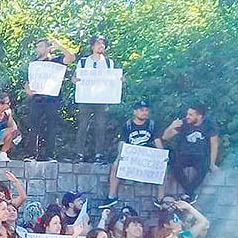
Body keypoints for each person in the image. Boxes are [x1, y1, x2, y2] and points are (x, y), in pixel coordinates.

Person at [101, 100, 165, 208]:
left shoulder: (152, 125)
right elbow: (122, 142)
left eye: (146, 110)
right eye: (141, 110)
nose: (144, 112)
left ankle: (160, 199)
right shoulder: (127, 125)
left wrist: (163, 156)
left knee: (163, 168)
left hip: (148, 157)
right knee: (115, 166)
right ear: (135, 112)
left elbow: (157, 141)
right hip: (132, 159)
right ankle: (111, 196)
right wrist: (119, 156)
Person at [23, 38, 76, 162]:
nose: (38, 49)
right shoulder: (34, 63)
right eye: (37, 46)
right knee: (34, 126)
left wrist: (60, 46)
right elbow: (27, 80)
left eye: (41, 46)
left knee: (51, 126)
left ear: (48, 48)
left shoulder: (56, 60)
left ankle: (49, 155)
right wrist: (27, 89)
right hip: (37, 98)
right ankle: (31, 155)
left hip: (52, 99)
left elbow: (71, 58)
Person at [74, 35, 119, 163]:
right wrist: (75, 79)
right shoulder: (83, 61)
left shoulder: (109, 62)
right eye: (98, 43)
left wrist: (119, 80)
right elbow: (75, 78)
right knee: (83, 126)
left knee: (101, 127)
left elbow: (113, 79)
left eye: (103, 44)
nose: (101, 46)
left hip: (102, 99)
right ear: (92, 46)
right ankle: (79, 154)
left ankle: (99, 154)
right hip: (85, 99)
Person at [160, 104, 220, 197]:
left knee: (205, 166)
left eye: (191, 115)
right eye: (187, 114)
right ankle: (190, 193)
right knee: (174, 163)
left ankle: (188, 193)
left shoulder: (209, 125)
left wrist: (212, 163)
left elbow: (214, 144)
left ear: (199, 116)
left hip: (200, 155)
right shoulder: (184, 123)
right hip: (184, 154)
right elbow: (165, 137)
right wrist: (171, 127)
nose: (187, 117)